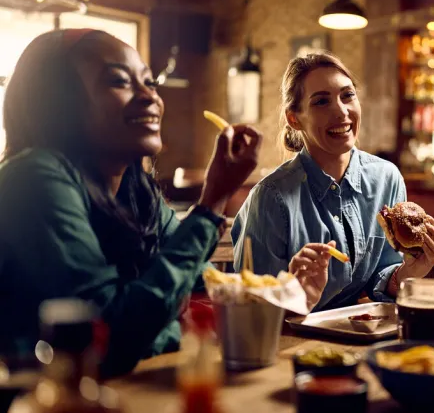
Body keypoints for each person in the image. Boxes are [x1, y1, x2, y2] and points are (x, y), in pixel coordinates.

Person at [0, 29, 262, 378]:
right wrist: (212, 203)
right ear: (58, 102)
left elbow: (198, 286)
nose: (149, 96)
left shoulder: (138, 193)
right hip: (40, 402)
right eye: (119, 81)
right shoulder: (32, 178)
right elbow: (104, 340)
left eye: (150, 82)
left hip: (123, 392)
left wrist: (290, 292)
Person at [231, 52, 434, 311]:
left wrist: (409, 273)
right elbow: (251, 306)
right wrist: (294, 295)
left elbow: (382, 274)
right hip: (289, 331)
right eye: (321, 102)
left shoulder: (386, 178)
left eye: (347, 95)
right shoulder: (271, 197)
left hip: (355, 330)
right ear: (294, 118)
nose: (341, 111)